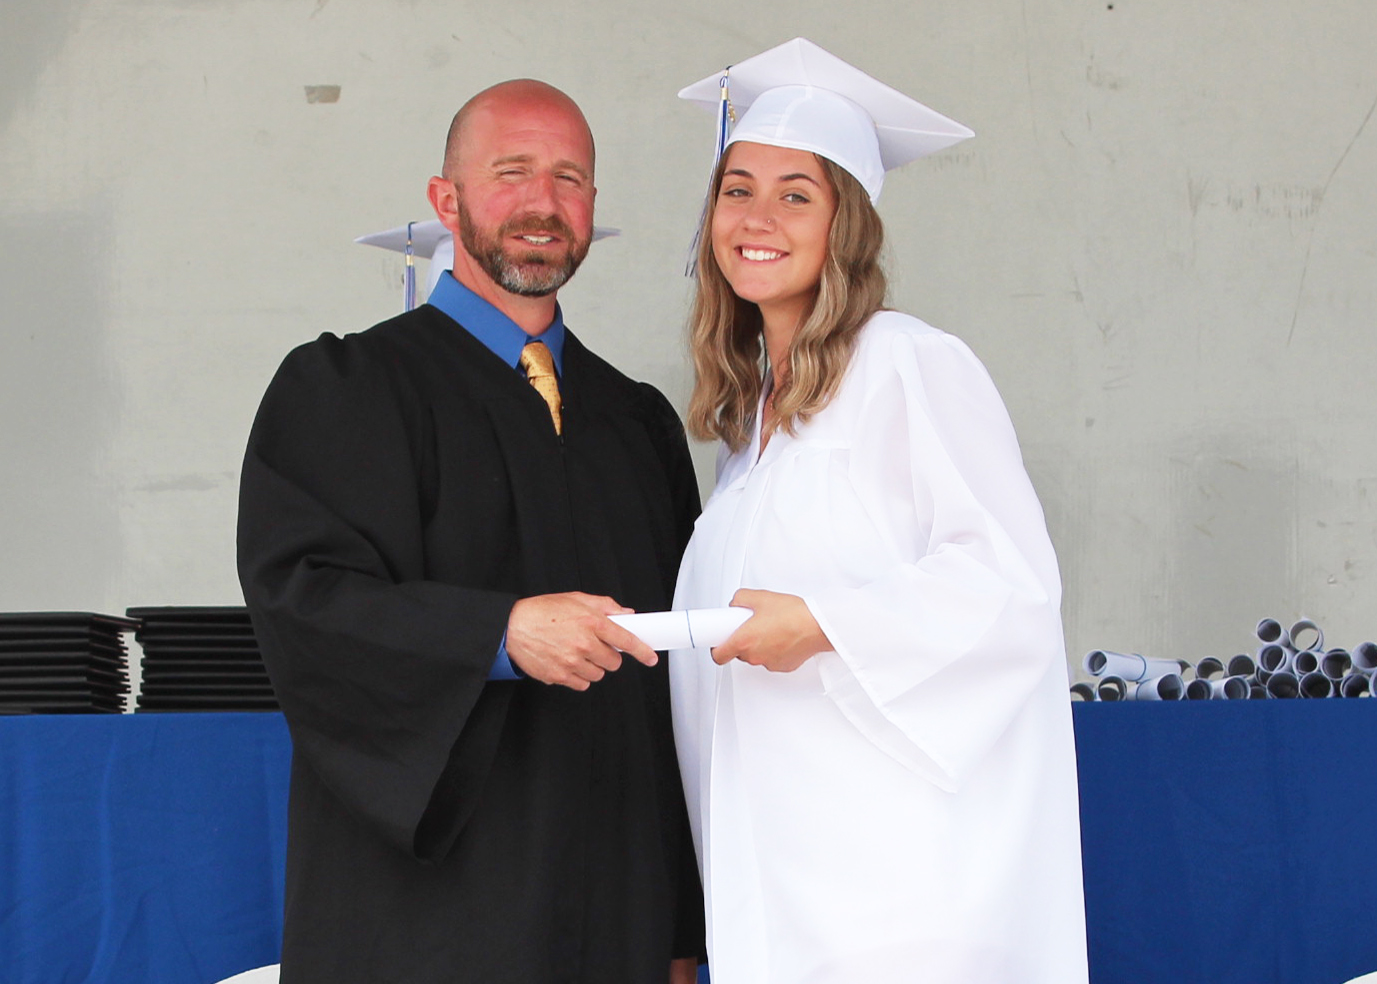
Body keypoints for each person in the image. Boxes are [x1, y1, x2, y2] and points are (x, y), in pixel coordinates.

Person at [237, 79, 703, 984]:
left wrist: (680, 926)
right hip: (429, 909)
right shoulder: (348, 388)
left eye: (570, 179)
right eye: (512, 172)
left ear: (592, 207)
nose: (543, 202)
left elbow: (672, 700)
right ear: (445, 200)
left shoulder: (637, 424)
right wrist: (497, 634)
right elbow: (306, 601)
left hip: (616, 903)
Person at [669, 39, 1088, 983]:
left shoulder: (905, 361)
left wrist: (821, 625)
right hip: (783, 883)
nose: (757, 217)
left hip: (897, 889)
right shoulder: (752, 432)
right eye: (736, 188)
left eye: (796, 194)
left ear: (844, 226)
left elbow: (1009, 581)